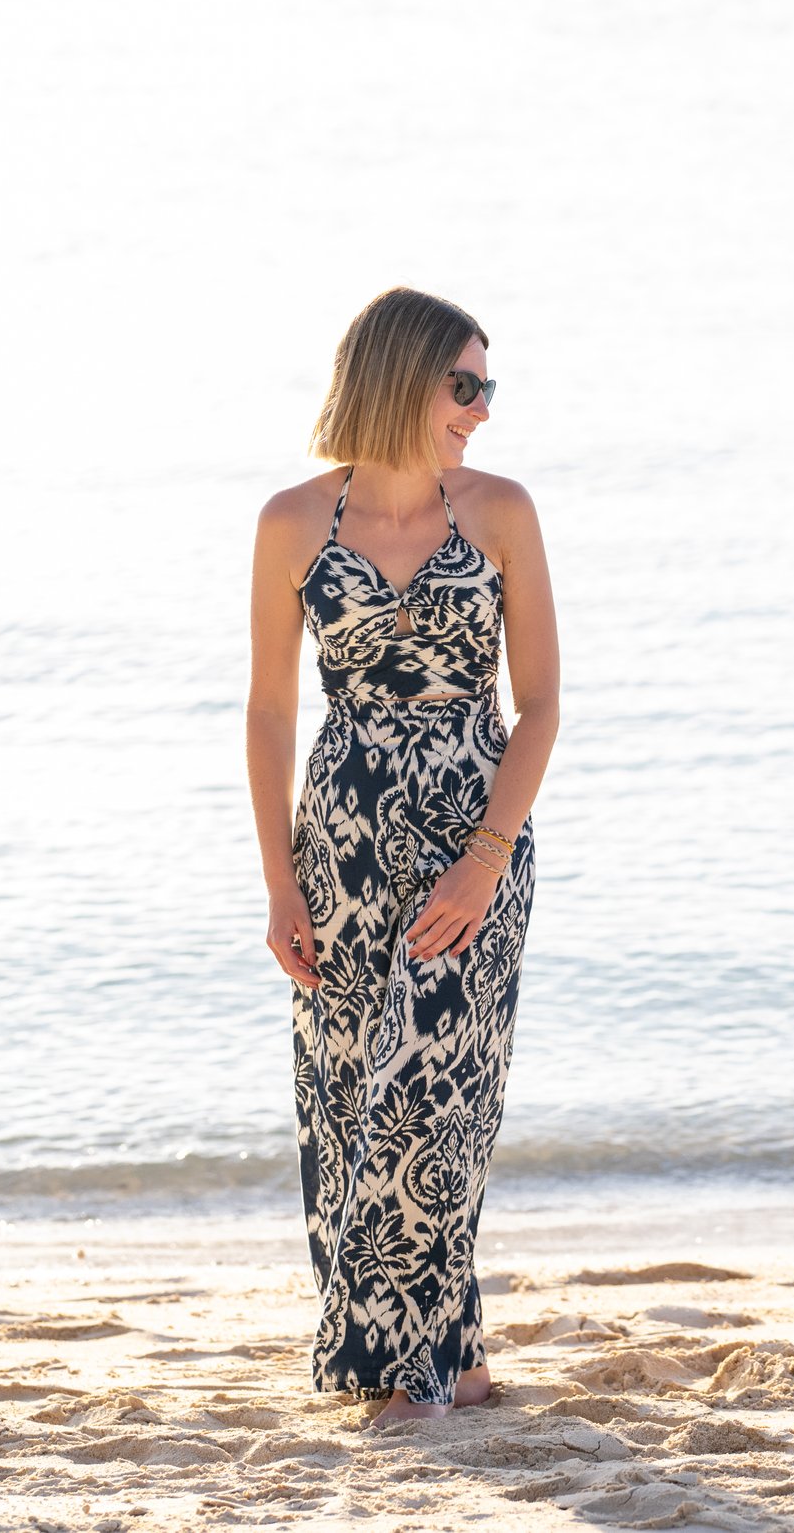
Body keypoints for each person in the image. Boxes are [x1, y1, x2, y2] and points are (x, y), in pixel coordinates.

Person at [246, 286, 559, 1419]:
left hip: (473, 837)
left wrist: (485, 856)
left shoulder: (502, 510)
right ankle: (457, 1356)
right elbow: (271, 713)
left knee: (441, 1092)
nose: (480, 407)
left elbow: (539, 707)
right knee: (346, 1092)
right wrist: (279, 876)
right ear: (400, 378)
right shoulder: (292, 522)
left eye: (487, 385)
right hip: (340, 837)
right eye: (462, 384)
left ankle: (393, 1369)